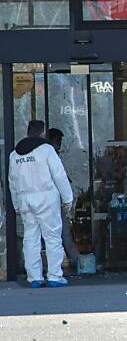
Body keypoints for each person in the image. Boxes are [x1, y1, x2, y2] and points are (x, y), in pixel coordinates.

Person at [8, 121, 73, 288]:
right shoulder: (46, 150)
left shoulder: (15, 154)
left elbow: (12, 182)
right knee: (52, 237)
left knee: (30, 237)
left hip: (24, 199)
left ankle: (34, 277)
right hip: (46, 197)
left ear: (28, 132)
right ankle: (54, 275)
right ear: (43, 133)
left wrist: (16, 204)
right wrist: (68, 198)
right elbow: (59, 175)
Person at [48, 128, 80, 270]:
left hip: (43, 200)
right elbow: (60, 179)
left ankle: (34, 270)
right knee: (60, 234)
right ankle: (75, 261)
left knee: (37, 236)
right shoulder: (50, 155)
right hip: (54, 200)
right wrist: (68, 200)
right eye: (58, 140)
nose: (59, 144)